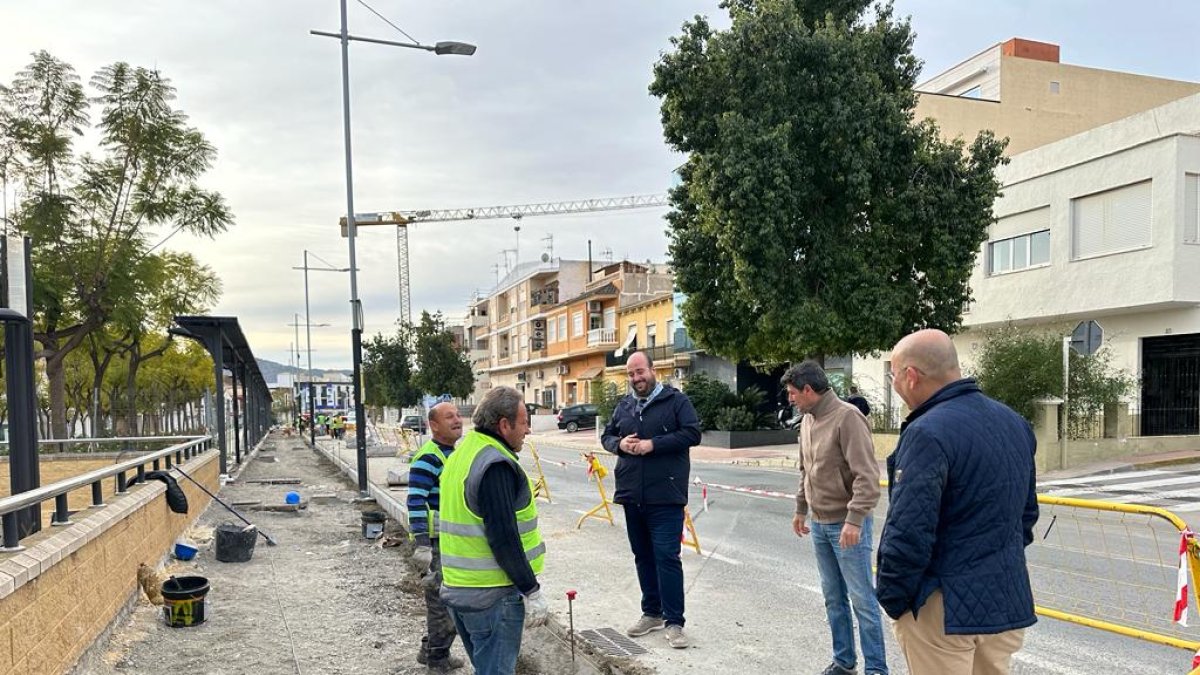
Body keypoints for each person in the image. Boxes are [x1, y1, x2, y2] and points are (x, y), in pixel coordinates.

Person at [876, 329, 1038, 675]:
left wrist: (893, 599)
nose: (894, 383)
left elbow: (909, 531)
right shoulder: (1014, 423)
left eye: (893, 375)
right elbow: (1026, 515)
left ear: (911, 376)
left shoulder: (926, 432)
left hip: (941, 607)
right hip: (1004, 599)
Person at [784, 361, 888, 675]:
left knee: (862, 601)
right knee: (833, 597)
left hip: (847, 525)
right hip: (819, 522)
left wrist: (855, 520)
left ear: (808, 390)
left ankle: (877, 670)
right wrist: (801, 508)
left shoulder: (848, 418)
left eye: (792, 393)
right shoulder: (807, 420)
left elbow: (866, 478)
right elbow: (806, 470)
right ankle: (844, 662)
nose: (790, 399)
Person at [439, 386, 547, 675]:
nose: (528, 430)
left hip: (459, 590)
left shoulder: (463, 453)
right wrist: (531, 590)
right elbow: (503, 537)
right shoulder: (494, 463)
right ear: (504, 424)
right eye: (524, 422)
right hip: (492, 597)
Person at [601, 351, 701, 649]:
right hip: (632, 495)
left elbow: (692, 434)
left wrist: (651, 445)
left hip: (666, 496)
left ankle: (674, 622)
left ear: (652, 370)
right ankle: (652, 613)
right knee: (642, 556)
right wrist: (619, 444)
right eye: (631, 374)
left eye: (640, 372)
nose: (636, 379)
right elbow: (606, 436)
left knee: (666, 558)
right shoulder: (625, 404)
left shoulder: (676, 401)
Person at [409, 402, 467, 672]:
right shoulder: (428, 457)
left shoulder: (453, 454)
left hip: (452, 541)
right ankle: (437, 659)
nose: (457, 420)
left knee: (449, 599)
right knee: (442, 600)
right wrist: (421, 542)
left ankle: (430, 649)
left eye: (457, 415)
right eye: (449, 417)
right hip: (435, 543)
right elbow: (416, 500)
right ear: (433, 425)